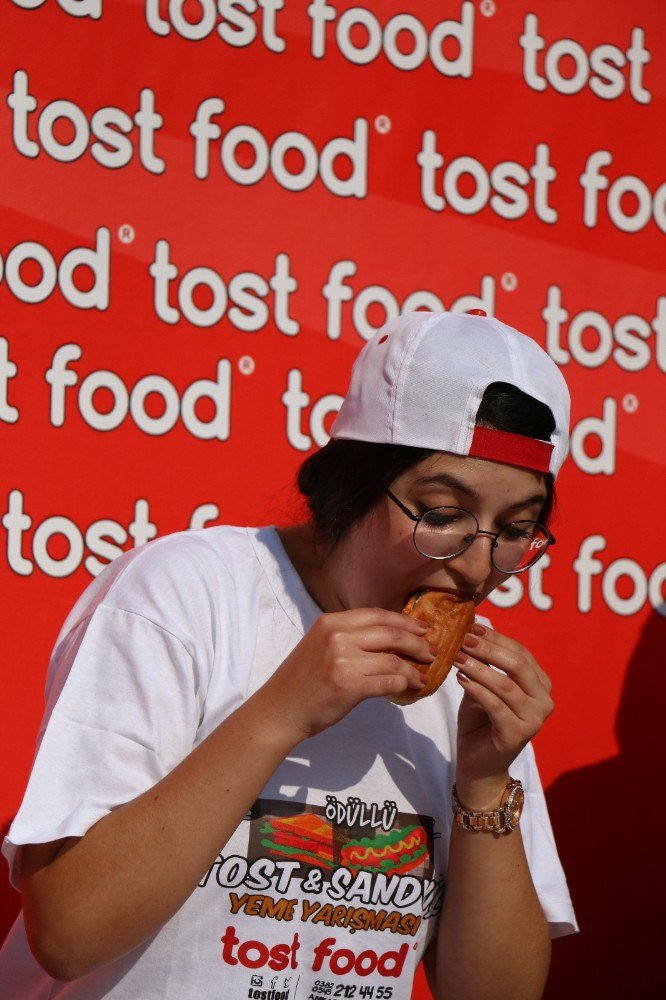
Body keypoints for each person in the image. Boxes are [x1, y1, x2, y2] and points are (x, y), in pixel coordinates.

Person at [0, 311, 577, 999]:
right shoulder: (188, 592)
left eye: (515, 530)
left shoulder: (464, 694)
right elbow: (67, 933)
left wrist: (484, 786)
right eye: (443, 513)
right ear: (348, 486)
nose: (478, 566)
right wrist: (282, 712)